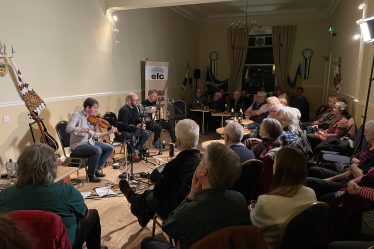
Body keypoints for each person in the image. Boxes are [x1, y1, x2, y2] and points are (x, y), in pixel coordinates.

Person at [141, 142, 250, 249]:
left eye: (201, 160)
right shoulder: (240, 199)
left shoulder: (192, 210)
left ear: (204, 171)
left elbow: (168, 227)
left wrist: (191, 195)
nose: (199, 161)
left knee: (147, 242)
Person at [0, 144, 107, 249]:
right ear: (52, 167)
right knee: (92, 215)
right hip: (61, 244)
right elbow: (83, 213)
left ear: (20, 167)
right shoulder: (66, 191)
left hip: (20, 244)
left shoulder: (4, 195)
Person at [119, 119, 201, 227]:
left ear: (179, 141)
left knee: (150, 194)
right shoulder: (202, 162)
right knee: (150, 196)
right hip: (194, 209)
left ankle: (133, 198)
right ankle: (141, 212)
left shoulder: (174, 165)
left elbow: (158, 194)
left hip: (175, 211)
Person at [250, 147, 317, 249]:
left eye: (275, 162)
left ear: (278, 169)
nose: (273, 165)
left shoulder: (265, 202)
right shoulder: (311, 193)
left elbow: (254, 227)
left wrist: (251, 210)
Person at [306, 120, 374, 201]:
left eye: (366, 131)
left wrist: (353, 166)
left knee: (312, 179)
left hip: (349, 178)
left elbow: (362, 177)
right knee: (316, 169)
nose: (364, 133)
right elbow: (354, 163)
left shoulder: (371, 156)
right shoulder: (368, 145)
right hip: (348, 169)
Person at [66, 97, 115, 182]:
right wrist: (87, 130)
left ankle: (96, 169)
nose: (96, 110)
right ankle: (91, 175)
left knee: (109, 148)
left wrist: (108, 132)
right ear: (88, 107)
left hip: (89, 143)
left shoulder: (89, 118)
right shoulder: (77, 115)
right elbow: (69, 128)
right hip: (78, 146)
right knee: (97, 150)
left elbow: (94, 135)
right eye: (95, 108)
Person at [245, 118, 283, 194]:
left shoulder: (259, 149)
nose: (259, 126)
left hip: (257, 184)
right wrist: (261, 141)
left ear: (265, 132)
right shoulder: (279, 144)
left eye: (261, 126)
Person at [117, 93, 149, 157]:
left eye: (138, 100)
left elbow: (136, 120)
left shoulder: (135, 108)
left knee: (145, 134)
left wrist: (141, 123)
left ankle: (136, 150)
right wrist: (136, 126)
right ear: (129, 100)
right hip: (123, 132)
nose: (137, 102)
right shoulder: (124, 110)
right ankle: (131, 154)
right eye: (135, 100)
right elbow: (123, 126)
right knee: (132, 137)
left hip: (133, 129)